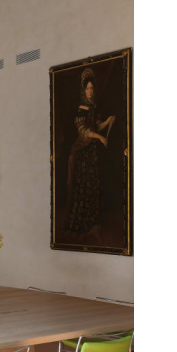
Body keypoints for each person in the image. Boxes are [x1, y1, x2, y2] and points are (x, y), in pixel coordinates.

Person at [65, 68, 115, 236]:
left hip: (92, 153)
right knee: (83, 189)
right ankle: (80, 226)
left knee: (93, 187)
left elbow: (97, 126)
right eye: (88, 88)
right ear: (83, 90)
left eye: (92, 88)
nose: (90, 91)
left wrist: (107, 121)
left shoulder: (94, 107)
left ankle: (92, 224)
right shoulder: (81, 108)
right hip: (82, 153)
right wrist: (100, 138)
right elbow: (84, 131)